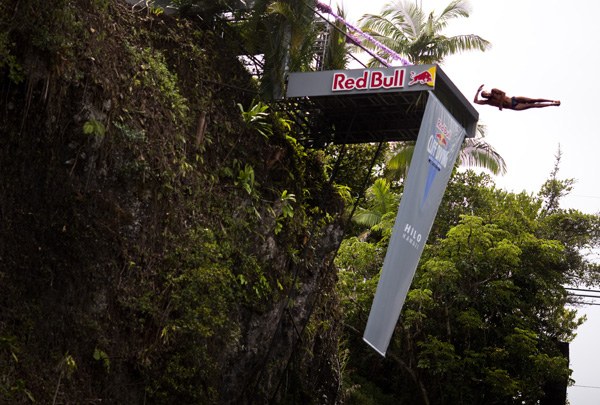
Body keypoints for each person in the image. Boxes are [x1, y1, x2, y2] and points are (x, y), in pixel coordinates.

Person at [474, 85, 560, 111]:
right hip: (513, 106)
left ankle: (552, 100)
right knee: (532, 105)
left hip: (513, 99)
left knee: (532, 100)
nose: (487, 95)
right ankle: (551, 104)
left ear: (487, 92)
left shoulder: (494, 91)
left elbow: (503, 93)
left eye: (486, 93)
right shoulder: (489, 101)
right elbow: (476, 101)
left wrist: (500, 104)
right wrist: (478, 91)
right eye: (485, 95)